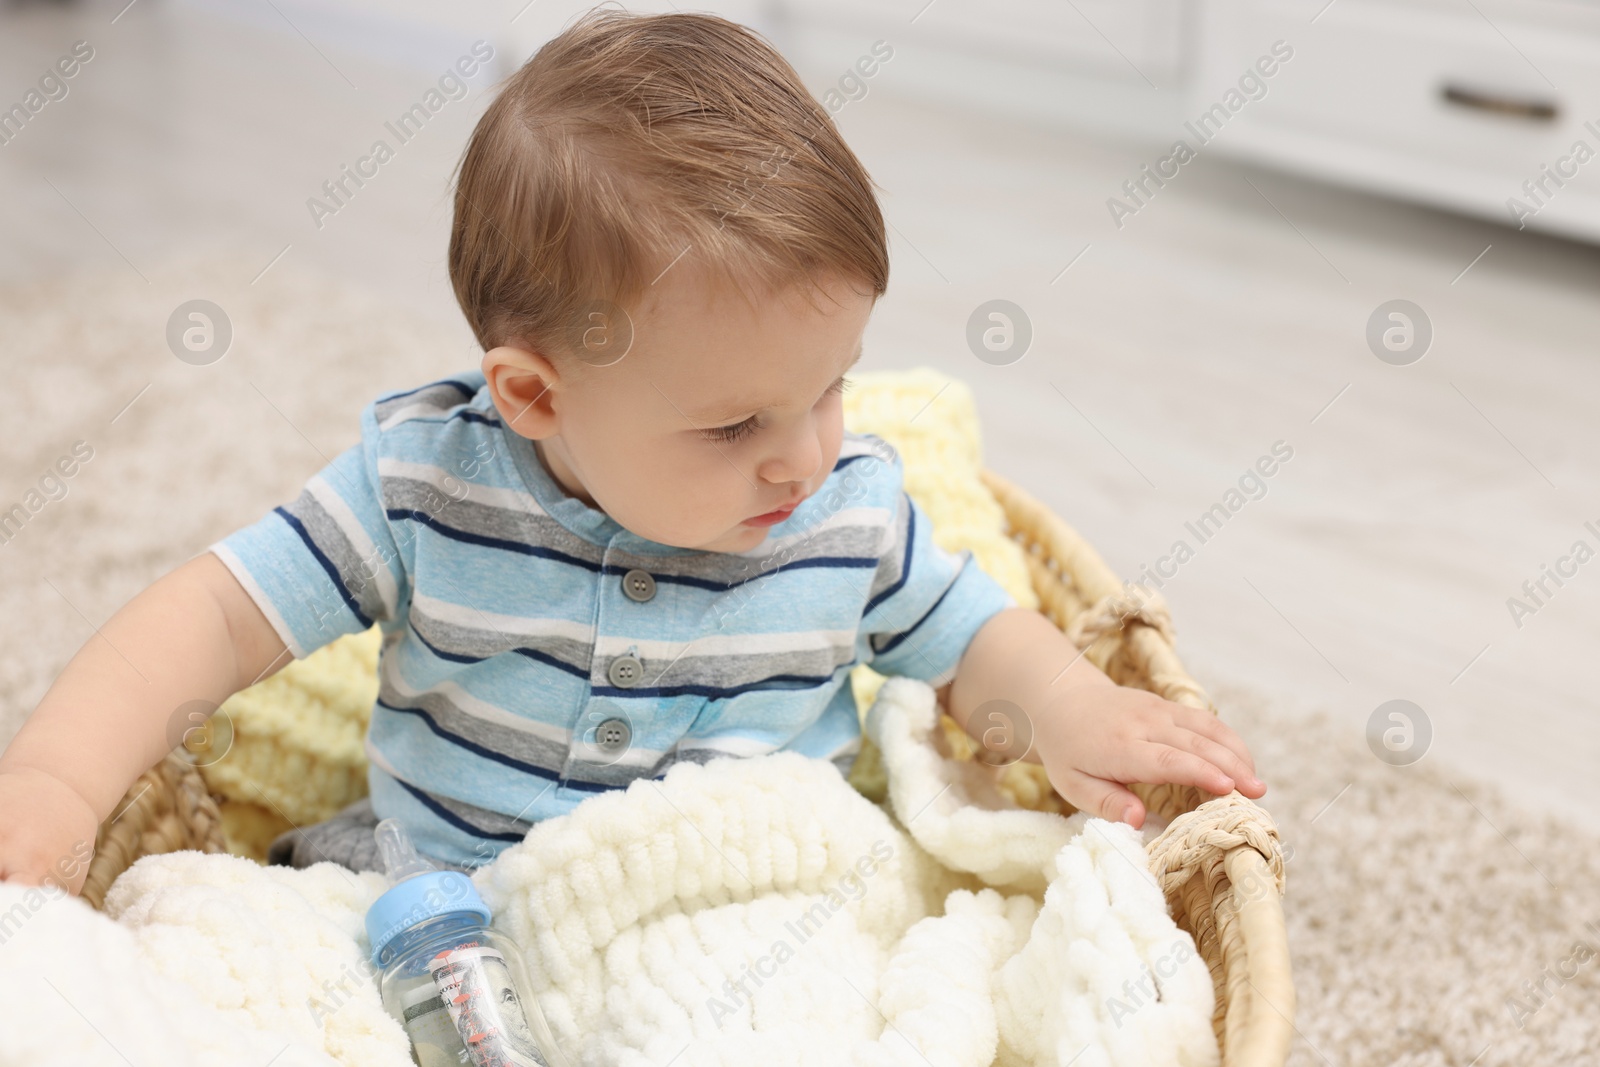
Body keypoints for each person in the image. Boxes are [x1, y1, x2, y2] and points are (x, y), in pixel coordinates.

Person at [0, 9, 1263, 888]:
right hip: (452, 908)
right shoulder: (424, 489)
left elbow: (981, 638)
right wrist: (57, 780)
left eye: (830, 388)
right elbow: (209, 619)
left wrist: (1070, 710)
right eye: (732, 425)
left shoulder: (851, 518)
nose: (801, 457)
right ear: (534, 397)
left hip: (750, 904)